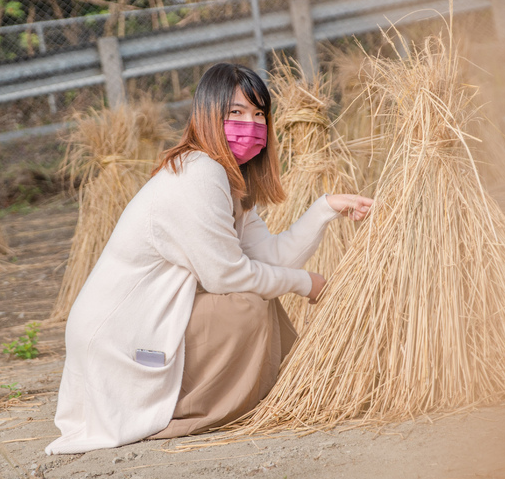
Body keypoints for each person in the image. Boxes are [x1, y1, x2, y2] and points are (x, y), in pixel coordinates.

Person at [45, 62, 373, 455]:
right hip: (119, 339)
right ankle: (178, 412)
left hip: (150, 324)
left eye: (258, 115)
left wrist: (325, 208)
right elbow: (226, 277)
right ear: (207, 114)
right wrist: (307, 283)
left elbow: (271, 257)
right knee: (246, 304)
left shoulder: (231, 180)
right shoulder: (199, 174)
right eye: (235, 112)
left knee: (257, 295)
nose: (249, 124)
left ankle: (289, 386)